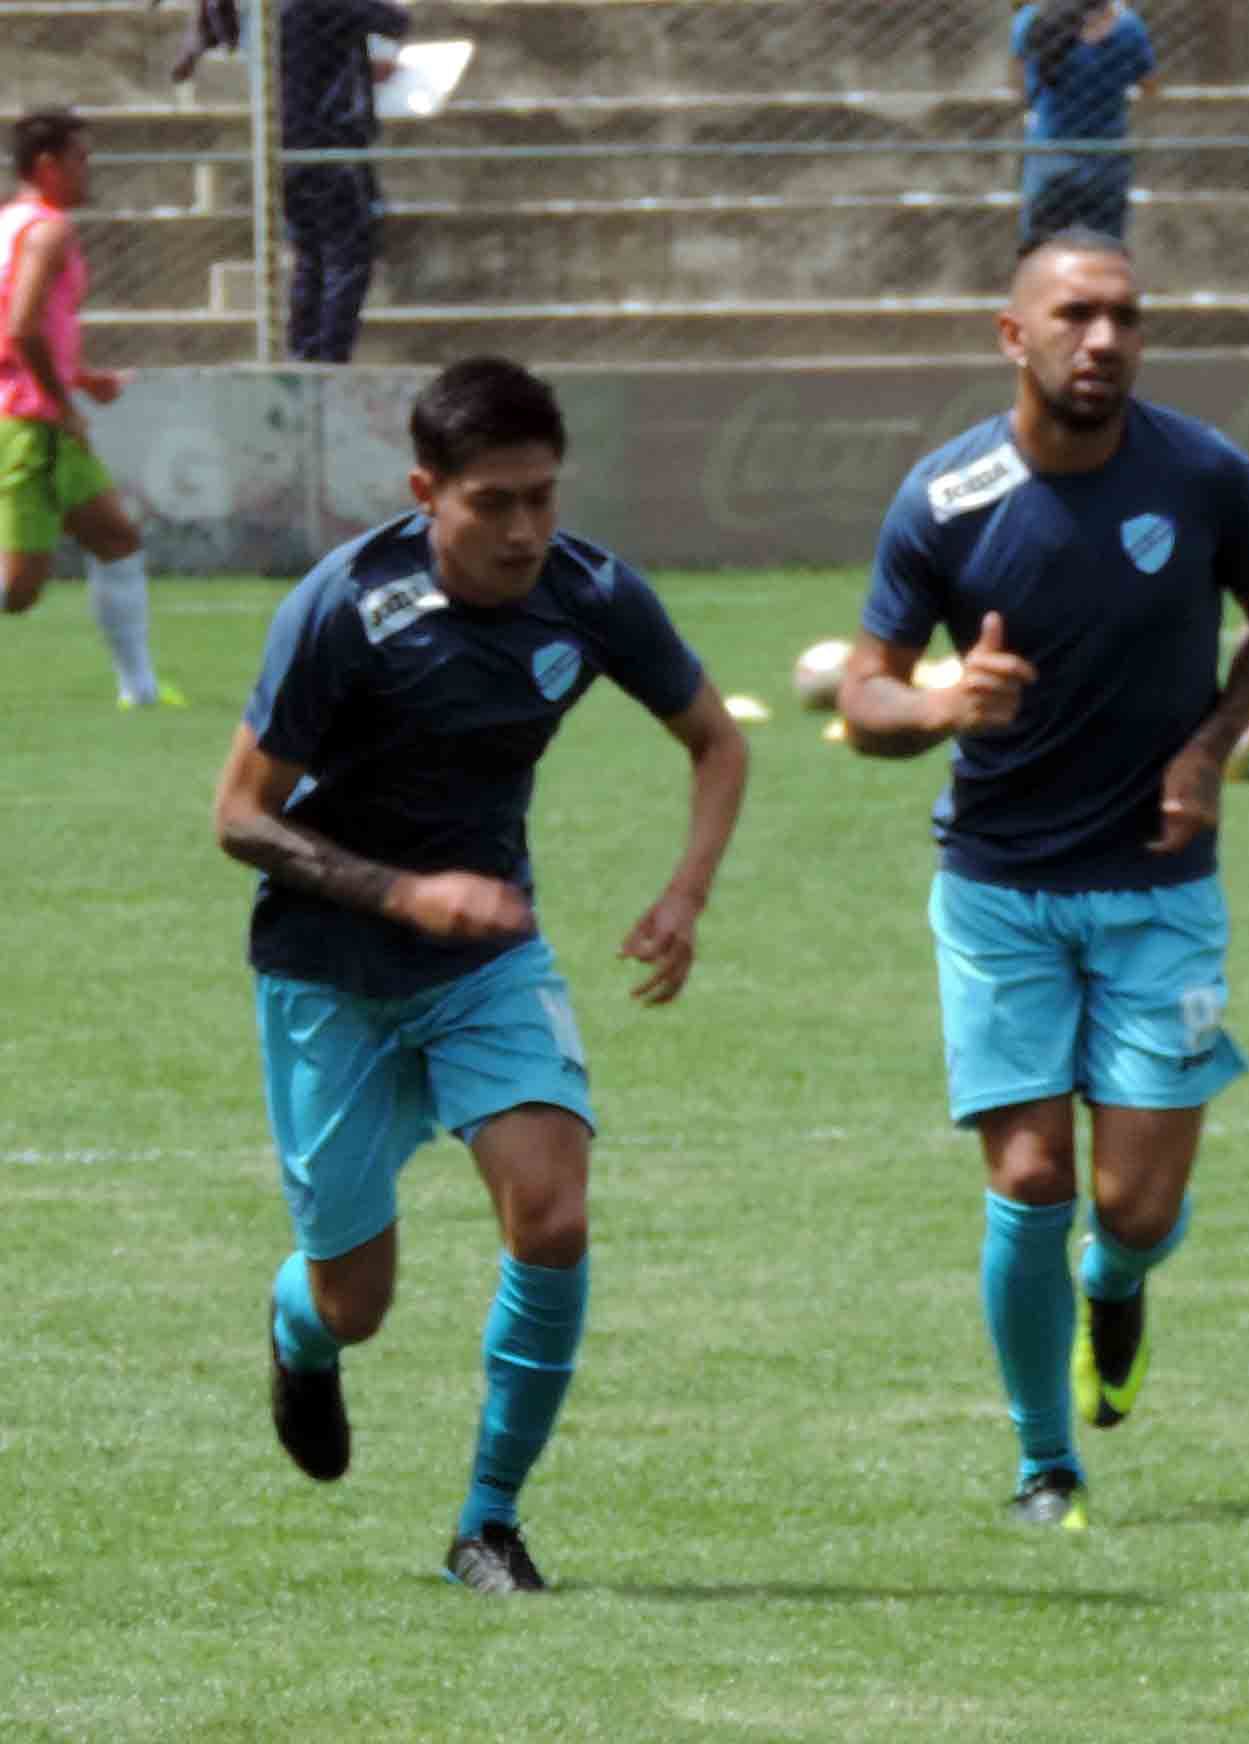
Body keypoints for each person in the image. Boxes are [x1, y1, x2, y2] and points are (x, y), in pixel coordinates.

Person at [212, 355, 750, 1593]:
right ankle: (300, 1329)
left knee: (552, 1215)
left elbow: (716, 742)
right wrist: (403, 891)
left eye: (541, 498)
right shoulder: (343, 608)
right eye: (492, 502)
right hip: (327, 969)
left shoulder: (591, 593)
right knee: (356, 1300)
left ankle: (487, 1523)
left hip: (488, 962)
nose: (522, 530)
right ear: (425, 491)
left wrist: (685, 895)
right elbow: (240, 816)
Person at [838, 229, 1249, 1529]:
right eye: (1076, 316)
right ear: (1013, 335)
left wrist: (1212, 745)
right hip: (999, 892)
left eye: (1127, 319)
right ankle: (1047, 1462)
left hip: (1160, 888)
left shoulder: (1205, 476)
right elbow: (867, 696)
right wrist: (941, 703)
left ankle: (1121, 1281)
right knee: (1031, 1177)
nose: (1104, 340)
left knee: (1133, 1207)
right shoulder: (944, 501)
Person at [1, 111, 179, 708]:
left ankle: (142, 691)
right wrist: (62, 403)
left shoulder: (10, 224)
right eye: (81, 158)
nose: (89, 170)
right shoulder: (50, 232)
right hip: (30, 419)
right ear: (47, 165)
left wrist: (82, 378)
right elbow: (22, 329)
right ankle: (141, 688)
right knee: (18, 589)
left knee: (117, 539)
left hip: (30, 410)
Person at [278, 0, 410, 362]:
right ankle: (328, 358)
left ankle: (305, 354)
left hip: (292, 142)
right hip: (331, 146)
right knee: (347, 256)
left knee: (312, 258)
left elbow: (317, 60)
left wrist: (364, 70)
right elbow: (395, 20)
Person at [1011, 1, 1157, 248]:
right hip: (1105, 155)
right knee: (1104, 248)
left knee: (1040, 248)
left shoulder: (1030, 20)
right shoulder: (1127, 26)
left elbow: (1018, 83)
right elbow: (1149, 86)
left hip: (1050, 151)